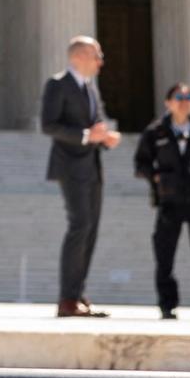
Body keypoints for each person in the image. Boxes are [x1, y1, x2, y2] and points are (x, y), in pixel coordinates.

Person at [41, 35, 119, 317]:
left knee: (91, 230)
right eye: (96, 55)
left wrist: (104, 137)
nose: (101, 62)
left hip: (92, 167)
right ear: (79, 56)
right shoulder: (57, 85)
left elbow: (94, 124)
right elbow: (49, 125)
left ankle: (77, 293)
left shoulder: (90, 88)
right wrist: (87, 135)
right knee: (80, 225)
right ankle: (67, 299)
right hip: (70, 166)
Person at [134, 83, 190, 320]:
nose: (184, 101)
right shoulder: (156, 131)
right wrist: (156, 178)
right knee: (165, 254)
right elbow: (141, 162)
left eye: (189, 97)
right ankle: (167, 304)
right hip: (170, 200)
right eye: (179, 97)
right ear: (168, 102)